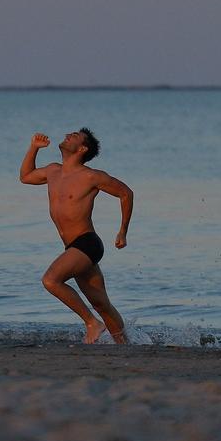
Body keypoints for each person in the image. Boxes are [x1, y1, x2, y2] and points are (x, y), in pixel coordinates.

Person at [20, 128, 133, 344]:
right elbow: (25, 177)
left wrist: (122, 231)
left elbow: (126, 193)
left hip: (87, 243)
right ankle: (124, 346)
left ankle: (92, 323)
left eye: (75, 136)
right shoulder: (53, 171)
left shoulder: (91, 176)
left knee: (51, 280)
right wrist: (34, 148)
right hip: (72, 246)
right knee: (101, 303)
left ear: (82, 149)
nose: (68, 134)